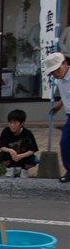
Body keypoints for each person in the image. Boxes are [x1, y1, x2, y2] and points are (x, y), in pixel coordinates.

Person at [44, 52, 70, 183]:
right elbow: (66, 96)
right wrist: (59, 106)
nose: (56, 74)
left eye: (57, 70)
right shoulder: (60, 80)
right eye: (53, 72)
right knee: (65, 143)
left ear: (65, 64)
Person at [0, 109, 39, 178]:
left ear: (22, 123)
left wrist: (21, 156)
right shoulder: (6, 131)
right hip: (11, 157)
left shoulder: (27, 133)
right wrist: (10, 150)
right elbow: (1, 146)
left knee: (34, 159)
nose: (12, 125)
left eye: (15, 123)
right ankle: (10, 169)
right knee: (1, 156)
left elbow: (33, 149)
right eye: (10, 123)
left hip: (23, 157)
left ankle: (24, 170)